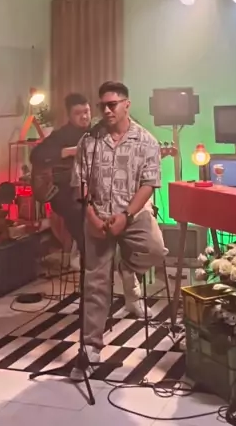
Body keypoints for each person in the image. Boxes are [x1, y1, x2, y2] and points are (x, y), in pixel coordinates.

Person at [71, 81, 167, 376]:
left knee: (154, 250)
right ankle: (90, 348)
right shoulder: (89, 140)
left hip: (132, 215)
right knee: (96, 283)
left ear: (127, 104)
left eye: (112, 104)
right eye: (102, 105)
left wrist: (126, 215)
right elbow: (80, 182)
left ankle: (125, 263)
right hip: (98, 217)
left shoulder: (146, 141)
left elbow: (149, 183)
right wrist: (91, 217)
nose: (107, 110)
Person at [30, 91, 148, 317]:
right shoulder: (61, 135)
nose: (84, 116)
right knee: (88, 230)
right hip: (66, 196)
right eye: (78, 113)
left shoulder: (100, 130)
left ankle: (124, 291)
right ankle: (94, 292)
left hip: (96, 195)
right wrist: (69, 151)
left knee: (121, 227)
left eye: (86, 112)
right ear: (69, 115)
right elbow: (36, 156)